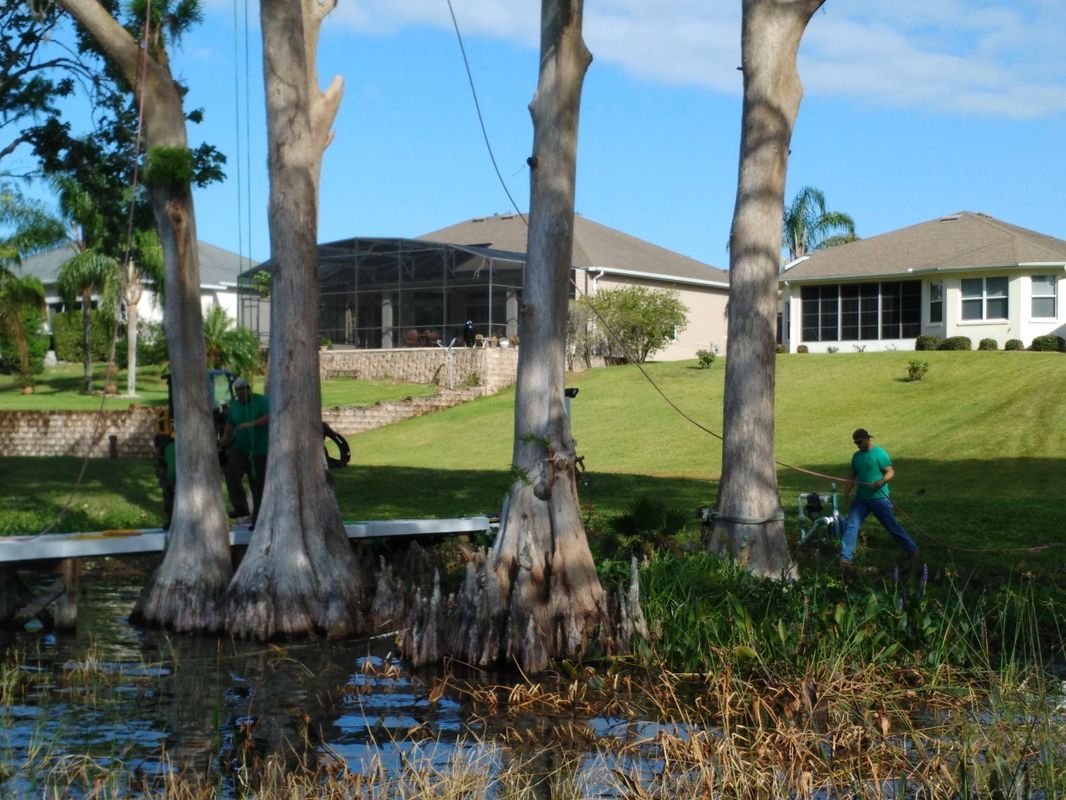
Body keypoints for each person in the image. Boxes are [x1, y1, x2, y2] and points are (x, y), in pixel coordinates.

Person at [840, 428, 919, 571]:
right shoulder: (856, 456)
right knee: (852, 525)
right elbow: (851, 476)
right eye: (855, 443)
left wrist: (881, 482)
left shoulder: (880, 453)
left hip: (879, 499)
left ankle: (913, 550)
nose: (857, 445)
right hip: (861, 499)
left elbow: (890, 472)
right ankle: (845, 559)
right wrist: (846, 492)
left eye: (859, 442)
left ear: (867, 439)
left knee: (891, 526)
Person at [222, 376, 269, 527]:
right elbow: (230, 422)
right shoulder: (235, 405)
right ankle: (241, 508)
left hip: (260, 451)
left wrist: (252, 423)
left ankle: (258, 520)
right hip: (240, 448)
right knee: (231, 472)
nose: (241, 395)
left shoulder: (261, 401)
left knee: (257, 485)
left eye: (243, 391)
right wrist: (225, 436)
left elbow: (269, 417)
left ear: (250, 389)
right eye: (238, 392)